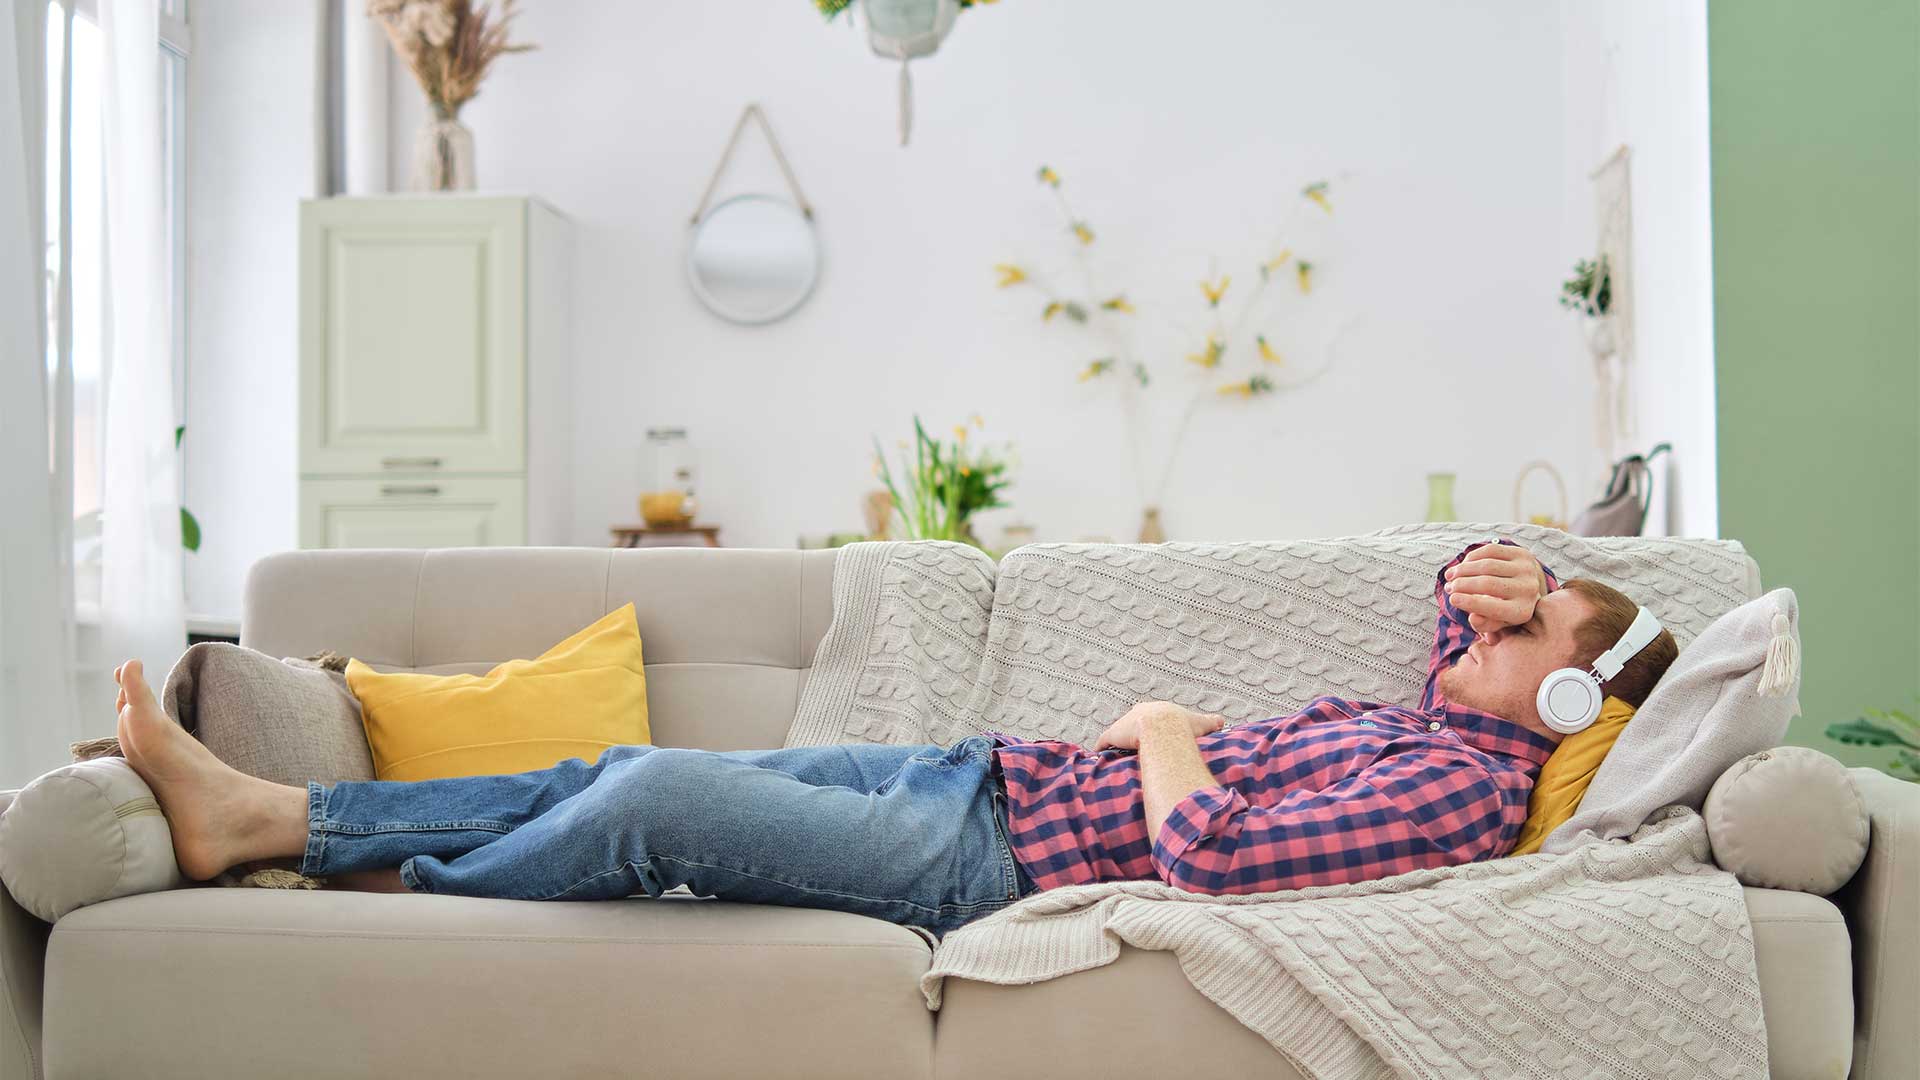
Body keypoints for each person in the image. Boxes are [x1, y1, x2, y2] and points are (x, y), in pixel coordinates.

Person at [112, 539, 1677, 938]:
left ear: (1565, 701)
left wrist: (1171, 732)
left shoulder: (1458, 807)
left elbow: (1210, 858)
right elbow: (1450, 607)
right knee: (606, 776)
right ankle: (267, 821)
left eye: (1520, 630)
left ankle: (397, 905)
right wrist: (1499, 577)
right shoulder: (1445, 721)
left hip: (981, 858)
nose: (1478, 627)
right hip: (977, 777)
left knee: (650, 796)